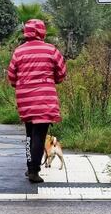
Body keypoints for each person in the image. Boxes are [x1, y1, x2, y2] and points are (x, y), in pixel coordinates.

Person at [6, 19, 67, 183]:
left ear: (26, 33)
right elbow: (61, 72)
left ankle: (29, 166)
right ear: (42, 32)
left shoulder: (18, 52)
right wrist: (52, 79)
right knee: (40, 135)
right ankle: (34, 170)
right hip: (45, 99)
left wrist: (20, 85)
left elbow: (11, 76)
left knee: (29, 135)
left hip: (25, 99)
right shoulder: (51, 50)